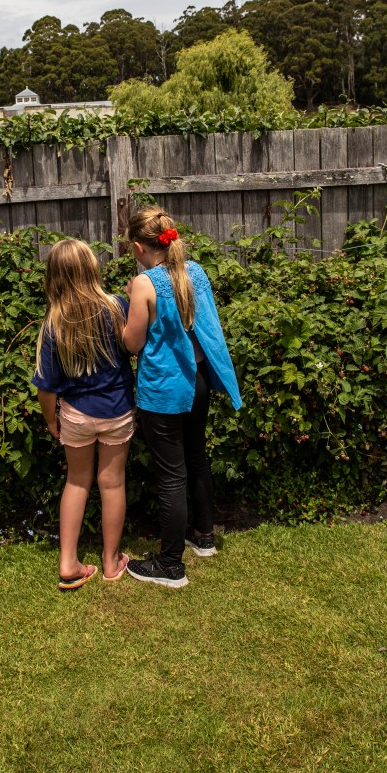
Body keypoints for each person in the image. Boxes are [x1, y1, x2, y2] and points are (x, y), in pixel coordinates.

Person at [122, 206, 241, 588]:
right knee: (196, 456)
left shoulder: (144, 284)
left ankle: (171, 565)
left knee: (171, 475)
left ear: (139, 247)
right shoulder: (195, 272)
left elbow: (132, 343)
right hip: (199, 380)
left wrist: (125, 304)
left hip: (165, 390)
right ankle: (204, 536)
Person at [33, 238, 134, 591]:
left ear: (53, 277)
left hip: (75, 414)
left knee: (76, 482)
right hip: (117, 410)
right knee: (112, 483)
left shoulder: (54, 323)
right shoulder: (117, 307)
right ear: (92, 269)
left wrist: (51, 420)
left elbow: (46, 388)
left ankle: (68, 563)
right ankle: (111, 562)